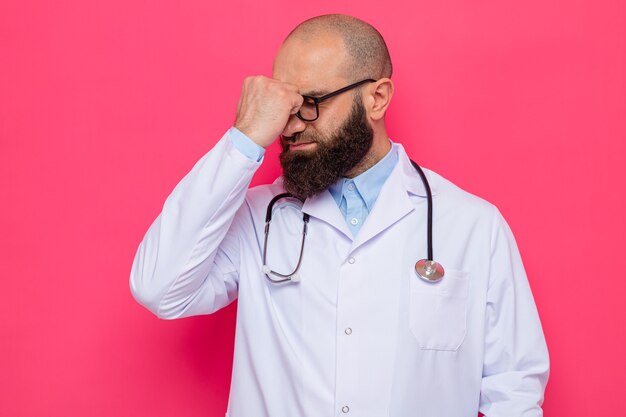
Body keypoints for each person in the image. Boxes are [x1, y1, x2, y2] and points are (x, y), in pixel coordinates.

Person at [130, 14, 549, 417]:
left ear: (377, 98)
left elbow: (513, 389)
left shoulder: (473, 225)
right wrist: (244, 137)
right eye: (283, 106)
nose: (289, 127)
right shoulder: (258, 217)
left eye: (309, 102)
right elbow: (159, 288)